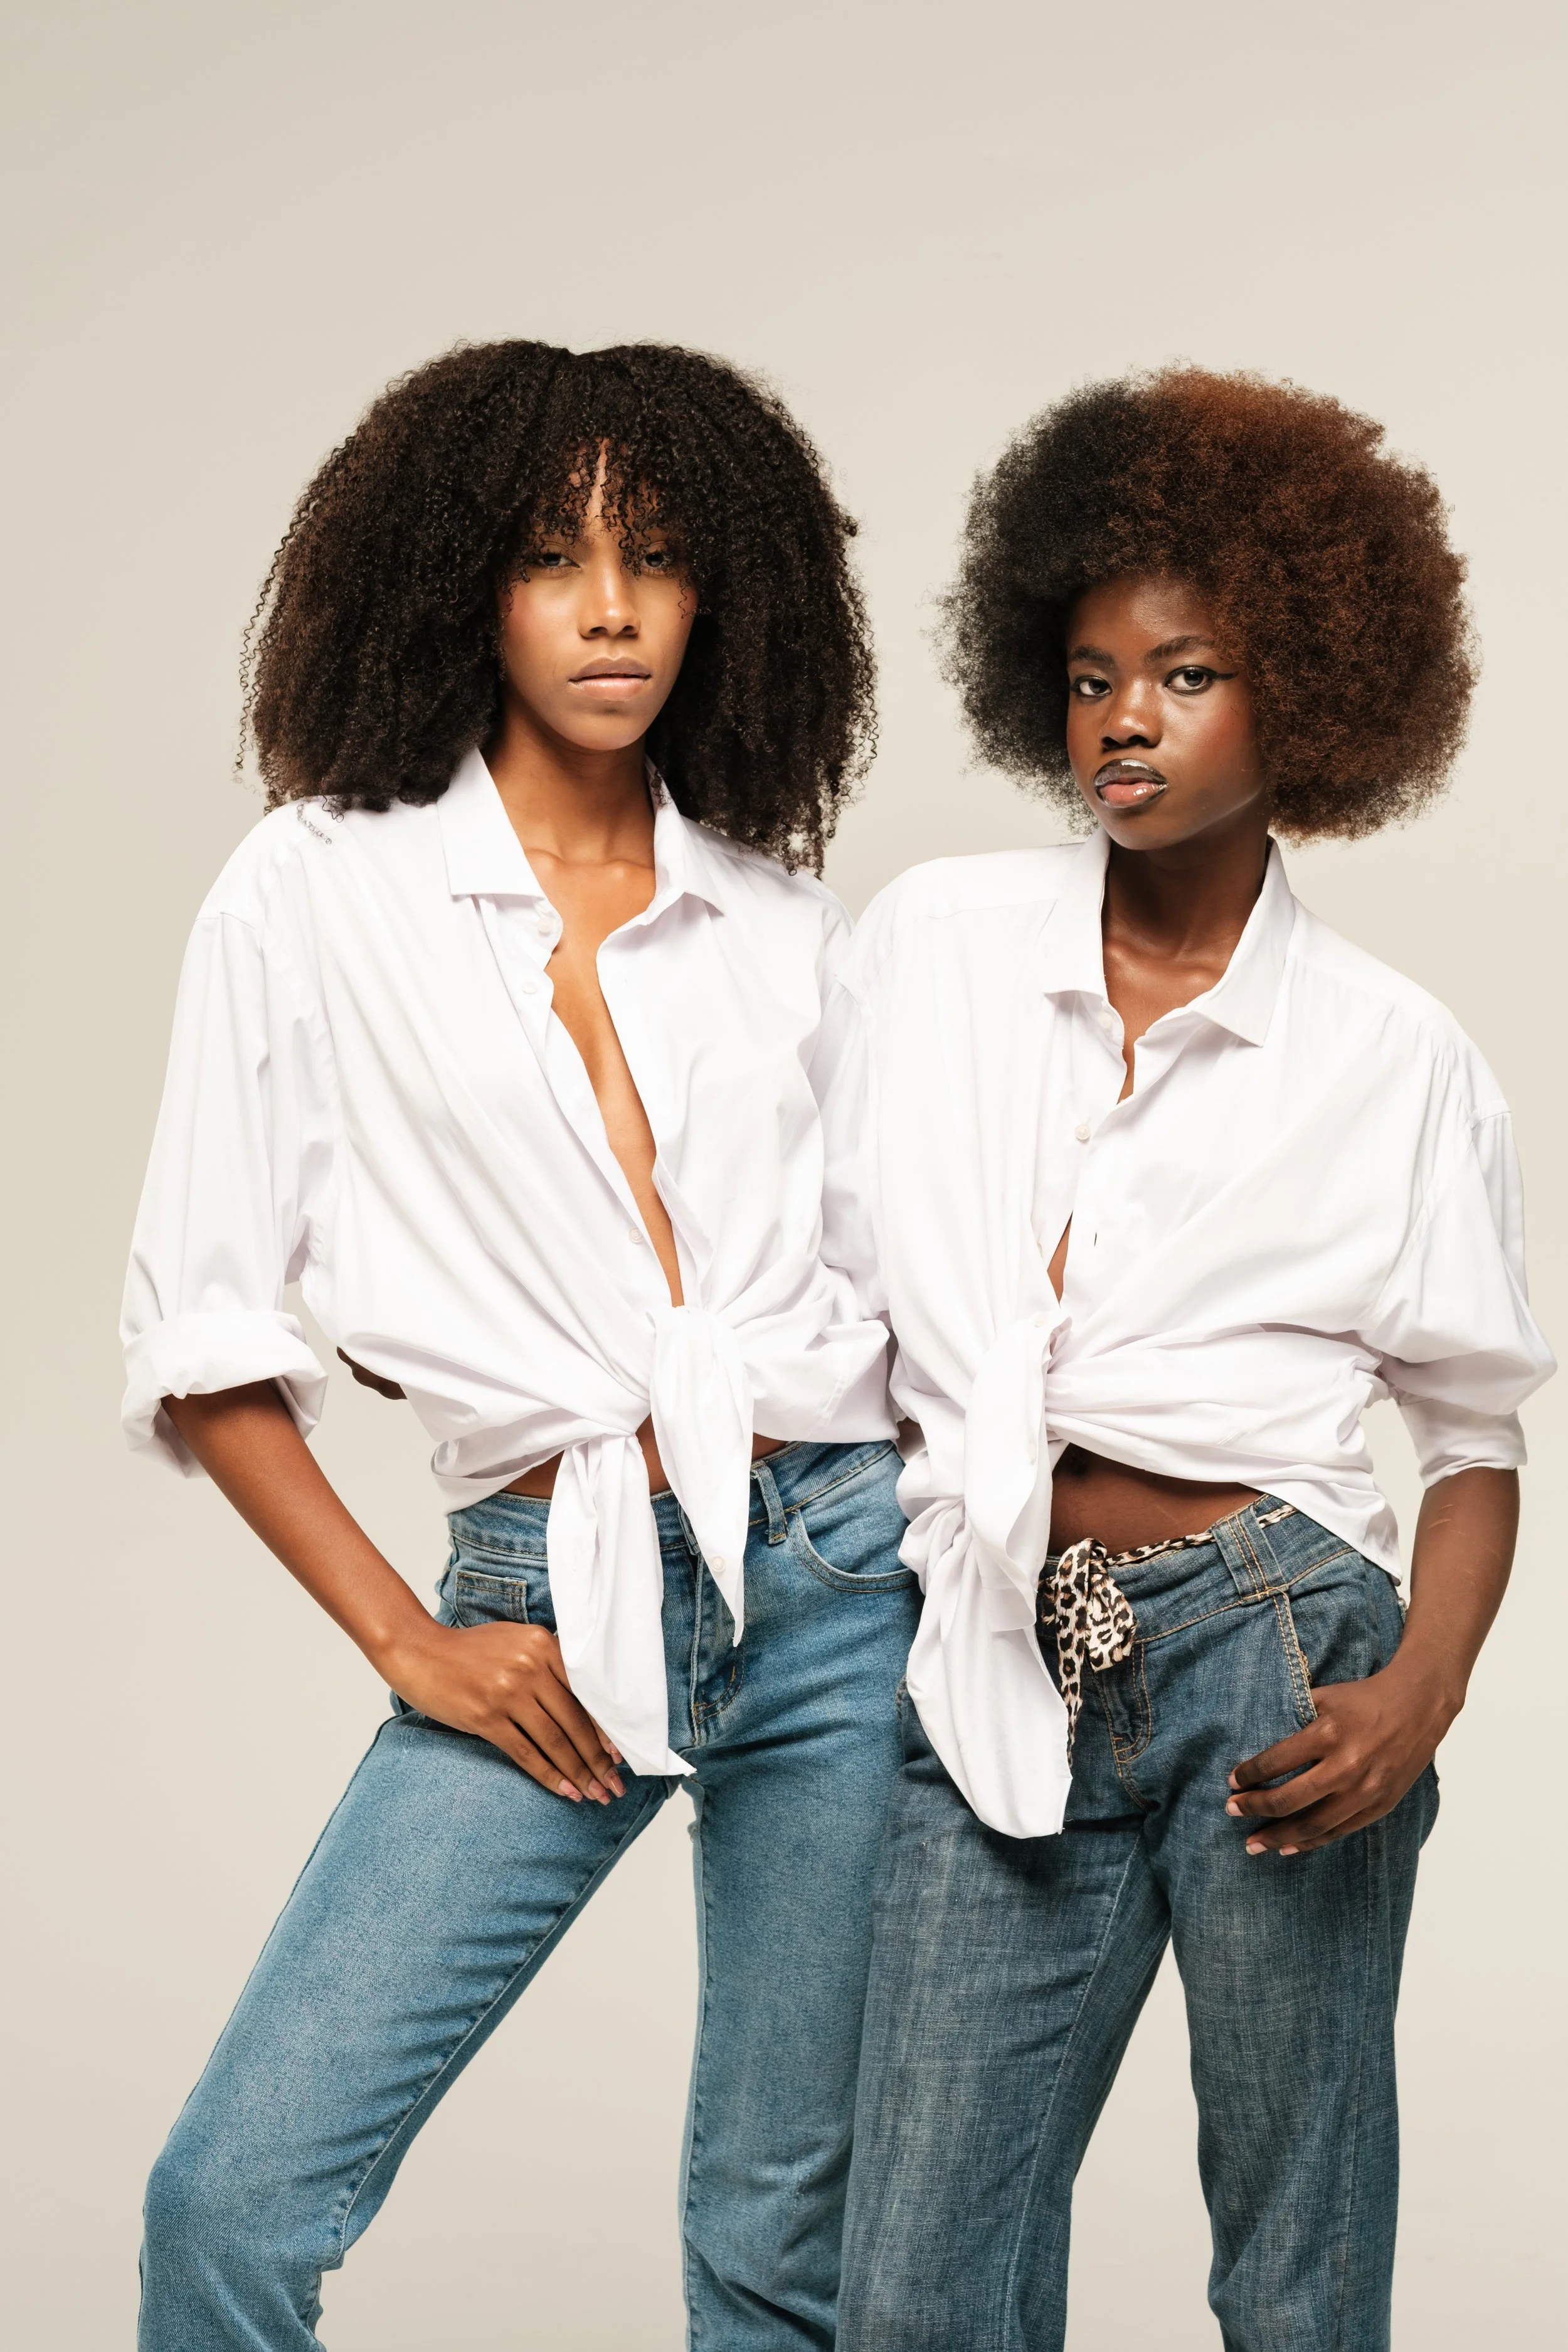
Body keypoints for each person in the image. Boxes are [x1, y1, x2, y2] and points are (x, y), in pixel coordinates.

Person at [122, 339, 920, 2351]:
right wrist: (410, 1640)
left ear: (723, 591)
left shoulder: (781, 920)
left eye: (655, 557)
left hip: (845, 1578)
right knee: (233, 2194)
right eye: (552, 558)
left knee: (778, 2245)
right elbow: (207, 1331)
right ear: (454, 585)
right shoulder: (316, 890)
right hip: (546, 1592)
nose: (607, 608)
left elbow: (907, 1296)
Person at [828, 368, 1554, 2352]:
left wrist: (1424, 1687)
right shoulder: (936, 946)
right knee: (912, 2289)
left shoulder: (1397, 1059)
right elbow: (788, 1235)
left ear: (1303, 691)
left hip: (1279, 1644)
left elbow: (1472, 1435)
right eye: (1084, 676)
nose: (1122, 718)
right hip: (989, 1629)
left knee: (1294, 2255)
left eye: (1184, 671)